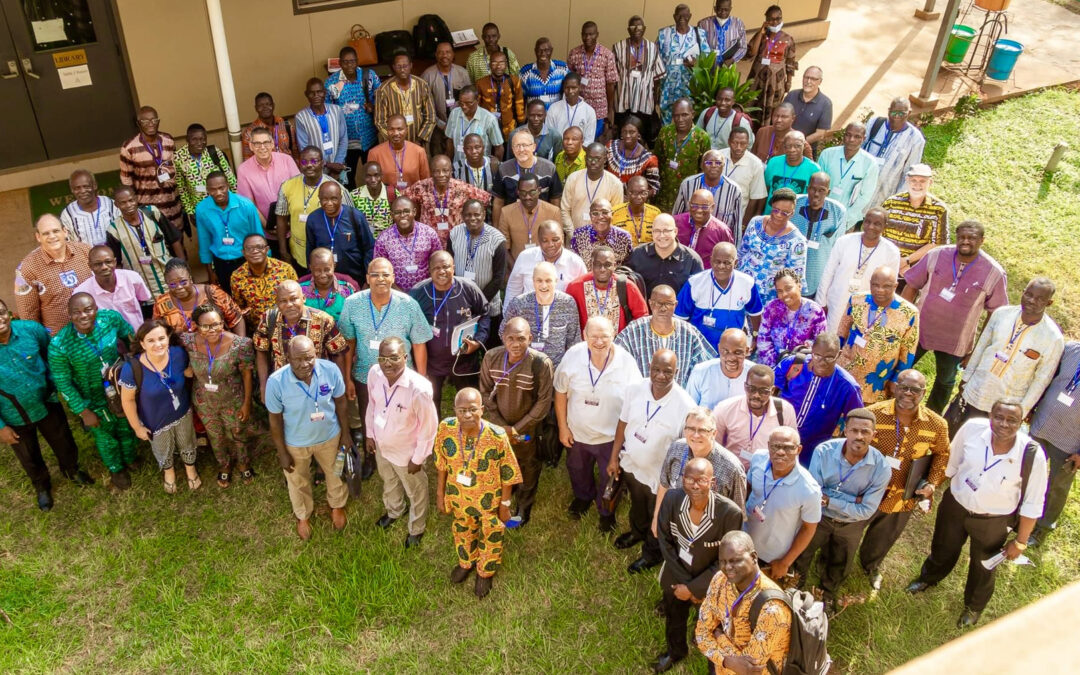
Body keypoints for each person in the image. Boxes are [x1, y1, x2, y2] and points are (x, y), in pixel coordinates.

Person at [906, 399, 1048, 629]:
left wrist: (1020, 542)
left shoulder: (1032, 454)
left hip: (993, 520)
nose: (1003, 424)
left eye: (1012, 420)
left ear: (1021, 423)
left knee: (984, 565)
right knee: (943, 547)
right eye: (998, 417)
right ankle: (928, 579)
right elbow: (950, 465)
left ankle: (973, 607)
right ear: (990, 416)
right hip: (956, 505)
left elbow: (1033, 503)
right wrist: (932, 487)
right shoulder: (972, 429)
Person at [857, 369, 950, 590]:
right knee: (849, 530)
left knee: (884, 535)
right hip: (865, 488)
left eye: (915, 390)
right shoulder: (872, 414)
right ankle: (834, 563)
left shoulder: (937, 425)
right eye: (904, 387)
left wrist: (931, 483)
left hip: (902, 493)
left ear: (924, 392)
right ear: (895, 387)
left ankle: (870, 566)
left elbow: (942, 453)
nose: (908, 393)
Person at [902, 221, 1008, 412]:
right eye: (962, 237)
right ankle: (890, 407)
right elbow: (912, 285)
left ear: (982, 241)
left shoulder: (994, 272)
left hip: (955, 341)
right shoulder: (937, 255)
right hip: (919, 330)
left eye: (972, 238)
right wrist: (903, 323)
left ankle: (930, 418)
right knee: (900, 370)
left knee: (945, 381)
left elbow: (996, 314)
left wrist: (977, 350)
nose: (966, 241)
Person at [339, 258, 433, 471]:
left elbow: (418, 343)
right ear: (367, 279)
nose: (380, 279)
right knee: (368, 415)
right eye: (374, 275)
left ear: (393, 277)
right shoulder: (352, 303)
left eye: (385, 274)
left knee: (402, 418)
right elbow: (349, 342)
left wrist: (422, 377)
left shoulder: (408, 304)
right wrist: (347, 378)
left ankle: (408, 453)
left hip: (401, 376)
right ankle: (371, 455)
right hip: (365, 374)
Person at [607, 349, 696, 573]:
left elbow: (685, 449)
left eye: (668, 371)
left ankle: (652, 553)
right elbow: (623, 423)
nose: (661, 376)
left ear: (677, 371)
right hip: (632, 465)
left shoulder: (685, 405)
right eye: (656, 369)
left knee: (659, 515)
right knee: (638, 503)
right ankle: (637, 532)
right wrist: (613, 456)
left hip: (660, 475)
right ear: (649, 366)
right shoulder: (634, 390)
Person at [653, 458, 743, 673]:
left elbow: (727, 561)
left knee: (712, 624)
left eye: (701, 480)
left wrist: (695, 589)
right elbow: (665, 540)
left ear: (712, 482)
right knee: (675, 618)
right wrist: (686, 587)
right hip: (675, 577)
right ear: (682, 479)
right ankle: (675, 651)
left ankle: (710, 656)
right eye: (689, 479)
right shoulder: (673, 499)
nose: (694, 485)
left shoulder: (730, 513)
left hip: (711, 584)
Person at [1, 299, 92, 509]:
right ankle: (41, 486)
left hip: (46, 401)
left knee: (62, 439)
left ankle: (71, 469)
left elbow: (51, 355)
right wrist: (0, 427)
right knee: (27, 452)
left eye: (1, 312)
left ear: (10, 313)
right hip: (13, 414)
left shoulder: (31, 330)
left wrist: (53, 384)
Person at [797, 408, 891, 610]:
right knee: (803, 552)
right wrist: (852, 500)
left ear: (874, 435)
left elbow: (866, 510)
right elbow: (814, 494)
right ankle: (795, 588)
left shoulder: (881, 467)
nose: (859, 436)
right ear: (844, 430)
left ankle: (828, 594)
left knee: (842, 561)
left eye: (865, 431)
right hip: (819, 517)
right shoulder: (824, 452)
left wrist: (830, 499)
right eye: (854, 430)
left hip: (851, 524)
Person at [554, 316, 642, 530]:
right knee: (577, 470)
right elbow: (560, 391)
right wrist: (563, 427)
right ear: (585, 336)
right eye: (594, 336)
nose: (599, 341)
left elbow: (636, 397)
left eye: (605, 336)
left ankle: (606, 511)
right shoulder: (573, 356)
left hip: (610, 437)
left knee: (610, 477)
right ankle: (583, 498)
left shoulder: (626, 362)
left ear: (614, 336)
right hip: (577, 433)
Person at [435, 387, 522, 598]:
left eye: (472, 409)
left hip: (489, 501)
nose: (467, 415)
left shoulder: (497, 436)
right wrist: (440, 494)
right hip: (458, 496)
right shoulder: (446, 428)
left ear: (482, 410)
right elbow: (441, 463)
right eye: (461, 410)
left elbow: (509, 473)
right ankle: (466, 562)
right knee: (462, 529)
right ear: (454, 410)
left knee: (491, 533)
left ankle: (485, 571)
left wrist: (505, 505)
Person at [945, 278, 1064, 430]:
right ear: (1023, 293)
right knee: (954, 437)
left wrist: (1022, 410)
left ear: (1049, 303)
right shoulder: (1001, 314)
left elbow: (1041, 380)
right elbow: (981, 347)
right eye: (1029, 294)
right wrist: (966, 379)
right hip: (977, 390)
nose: (1032, 301)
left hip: (1007, 407)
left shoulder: (1052, 338)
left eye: (1040, 299)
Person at [266, 335, 352, 540]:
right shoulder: (276, 382)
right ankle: (303, 515)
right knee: (298, 481)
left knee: (336, 473)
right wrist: (282, 452)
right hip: (296, 443)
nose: (305, 364)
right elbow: (275, 421)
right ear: (288, 358)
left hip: (330, 436)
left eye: (309, 358)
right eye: (298, 359)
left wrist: (346, 435)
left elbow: (341, 403)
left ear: (316, 354)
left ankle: (337, 505)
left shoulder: (330, 370)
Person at [479, 317, 554, 527]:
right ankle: (504, 494)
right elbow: (484, 393)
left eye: (521, 338)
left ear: (530, 338)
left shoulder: (541, 363)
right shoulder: (491, 358)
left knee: (528, 464)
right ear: (503, 338)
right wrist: (500, 426)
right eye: (510, 338)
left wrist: (516, 429)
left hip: (527, 430)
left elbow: (543, 402)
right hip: (499, 428)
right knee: (501, 461)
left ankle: (523, 506)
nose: (516, 344)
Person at [366, 336, 439, 549]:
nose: (387, 363)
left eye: (394, 358)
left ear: (405, 358)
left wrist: (418, 458)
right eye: (382, 358)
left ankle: (416, 528)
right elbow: (372, 405)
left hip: (407, 454)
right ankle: (395, 511)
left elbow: (429, 427)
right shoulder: (374, 374)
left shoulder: (419, 388)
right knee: (389, 481)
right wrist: (370, 434)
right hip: (382, 445)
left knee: (415, 491)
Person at [182, 305, 261, 488]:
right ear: (196, 326)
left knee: (237, 433)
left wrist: (246, 403)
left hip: (233, 400)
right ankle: (224, 465)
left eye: (217, 324)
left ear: (223, 323)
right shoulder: (188, 342)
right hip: (204, 401)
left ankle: (243, 463)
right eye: (205, 326)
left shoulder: (241, 344)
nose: (212, 330)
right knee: (215, 436)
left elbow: (247, 374)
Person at [119, 319, 199, 493]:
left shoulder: (178, 354)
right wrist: (137, 427)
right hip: (155, 421)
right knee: (162, 448)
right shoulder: (132, 368)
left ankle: (190, 469)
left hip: (182, 412)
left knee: (187, 441)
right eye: (151, 340)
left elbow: (188, 373)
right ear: (142, 343)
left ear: (168, 337)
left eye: (161, 338)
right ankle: (169, 473)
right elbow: (128, 400)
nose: (158, 344)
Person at [409, 251, 489, 410]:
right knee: (431, 404)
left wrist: (478, 342)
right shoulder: (418, 293)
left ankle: (468, 433)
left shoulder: (468, 288)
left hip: (464, 361)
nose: (441, 271)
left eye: (445, 266)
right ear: (429, 271)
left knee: (468, 404)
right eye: (436, 268)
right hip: (431, 363)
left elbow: (484, 314)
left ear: (453, 267)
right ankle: (434, 434)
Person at [743, 426, 821, 584]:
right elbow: (748, 487)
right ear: (768, 446)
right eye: (775, 446)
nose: (780, 452)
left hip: (772, 557)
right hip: (744, 542)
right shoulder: (758, 459)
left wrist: (785, 562)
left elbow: (808, 529)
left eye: (788, 448)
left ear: (798, 449)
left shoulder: (809, 490)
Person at [253, 280, 349, 406]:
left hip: (317, 387)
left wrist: (339, 386)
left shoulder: (323, 320)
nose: (289, 305)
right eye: (283, 301)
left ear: (303, 298)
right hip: (283, 387)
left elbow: (338, 354)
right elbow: (261, 351)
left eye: (294, 299)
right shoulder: (268, 319)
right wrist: (264, 386)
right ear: (277, 303)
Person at [774, 334, 864, 463]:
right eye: (817, 356)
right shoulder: (794, 364)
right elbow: (771, 389)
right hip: (778, 436)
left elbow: (857, 422)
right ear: (812, 350)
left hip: (811, 451)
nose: (822, 362)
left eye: (829, 358)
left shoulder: (847, 386)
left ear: (838, 355)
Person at [837, 266, 919, 404]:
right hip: (847, 369)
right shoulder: (857, 300)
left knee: (865, 417)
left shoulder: (909, 313)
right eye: (875, 285)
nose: (880, 290)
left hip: (879, 380)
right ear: (870, 283)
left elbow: (908, 352)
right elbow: (841, 332)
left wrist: (896, 379)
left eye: (886, 286)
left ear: (895, 286)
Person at [655, 407, 747, 530]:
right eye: (691, 429)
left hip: (709, 531)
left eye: (702, 430)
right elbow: (664, 484)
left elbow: (737, 513)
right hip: (673, 521)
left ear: (714, 433)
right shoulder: (676, 448)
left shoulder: (732, 468)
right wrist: (657, 518)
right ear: (684, 430)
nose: (696, 435)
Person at [815, 207, 902, 334]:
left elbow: (889, 286)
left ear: (885, 226)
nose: (871, 226)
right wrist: (820, 303)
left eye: (877, 224)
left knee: (854, 344)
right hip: (836, 302)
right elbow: (828, 272)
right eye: (868, 221)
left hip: (868, 307)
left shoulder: (891, 252)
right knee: (829, 340)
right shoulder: (844, 241)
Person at [1028, 340, 1080, 547]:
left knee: (1057, 486)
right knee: (1028, 472)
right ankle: (1017, 515)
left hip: (1070, 441)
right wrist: (1032, 407)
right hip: (1042, 425)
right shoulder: (1070, 350)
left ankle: (1043, 527)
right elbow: (1046, 379)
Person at [615, 285, 717, 387]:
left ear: (675, 305)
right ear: (650, 304)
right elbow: (615, 359)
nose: (663, 308)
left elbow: (706, 366)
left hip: (678, 397)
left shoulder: (688, 332)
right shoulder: (634, 330)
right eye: (659, 303)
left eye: (668, 304)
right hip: (641, 396)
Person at [274, 146, 353, 272]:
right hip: (298, 253)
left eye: (314, 161)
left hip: (328, 255)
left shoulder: (336, 189)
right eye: (304, 162)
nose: (309, 165)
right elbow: (281, 219)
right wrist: (283, 251)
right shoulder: (287, 186)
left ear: (322, 163)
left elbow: (349, 223)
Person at [675, 242, 763, 351]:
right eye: (717, 262)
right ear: (711, 260)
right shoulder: (695, 283)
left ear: (735, 263)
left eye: (726, 262)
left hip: (732, 350)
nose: (721, 266)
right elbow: (680, 318)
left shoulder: (747, 283)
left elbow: (756, 313)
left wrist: (755, 336)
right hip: (699, 348)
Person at [713, 364, 797, 469]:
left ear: (772, 391)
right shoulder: (725, 408)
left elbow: (792, 451)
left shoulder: (785, 411)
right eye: (751, 389)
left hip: (766, 474)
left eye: (763, 391)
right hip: (731, 471)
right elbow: (714, 447)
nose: (756, 395)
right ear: (744, 386)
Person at [501, 261, 582, 369]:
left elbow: (574, 341)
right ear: (533, 281)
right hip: (525, 369)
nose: (544, 285)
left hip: (557, 370)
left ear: (556, 281)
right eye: (539, 280)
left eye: (548, 280)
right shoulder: (519, 304)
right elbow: (503, 332)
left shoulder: (567, 303)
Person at [195, 172, 264, 295]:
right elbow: (204, 240)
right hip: (221, 263)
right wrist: (210, 272)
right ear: (207, 190)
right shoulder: (202, 209)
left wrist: (264, 263)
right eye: (213, 189)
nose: (218, 193)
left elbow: (258, 235)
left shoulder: (246, 205)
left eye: (221, 188)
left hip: (247, 260)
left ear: (228, 186)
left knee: (253, 295)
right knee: (229, 297)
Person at [109, 186, 184, 296]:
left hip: (169, 282)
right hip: (142, 289)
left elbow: (174, 240)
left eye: (131, 200)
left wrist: (183, 268)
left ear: (136, 199)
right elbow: (117, 263)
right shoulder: (114, 230)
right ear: (116, 205)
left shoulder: (152, 213)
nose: (128, 205)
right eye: (123, 203)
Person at [118, 105, 182, 233]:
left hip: (172, 205)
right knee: (156, 242)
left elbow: (175, 169)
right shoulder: (129, 147)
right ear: (138, 124)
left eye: (154, 120)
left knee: (178, 241)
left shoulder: (168, 140)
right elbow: (126, 182)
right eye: (145, 121)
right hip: (148, 208)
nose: (151, 124)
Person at [738, 188, 807, 304]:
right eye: (776, 210)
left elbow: (796, 276)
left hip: (768, 296)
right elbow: (742, 251)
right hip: (742, 285)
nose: (779, 215)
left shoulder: (797, 240)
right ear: (772, 205)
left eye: (785, 212)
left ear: (792, 213)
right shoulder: (755, 222)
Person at [405, 155, 491, 246]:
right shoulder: (422, 186)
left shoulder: (461, 187)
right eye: (437, 171)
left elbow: (486, 199)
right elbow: (401, 198)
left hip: (456, 240)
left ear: (450, 171)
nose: (441, 174)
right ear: (431, 172)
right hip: (427, 241)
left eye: (445, 171)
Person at [235, 126, 300, 246]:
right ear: (251, 146)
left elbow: (299, 192)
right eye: (257, 144)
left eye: (266, 142)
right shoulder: (243, 170)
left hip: (294, 227)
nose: (262, 147)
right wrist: (267, 226)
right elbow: (249, 204)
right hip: (267, 233)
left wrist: (291, 222)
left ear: (272, 144)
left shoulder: (287, 160)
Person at [326, 45, 382, 184]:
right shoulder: (332, 83)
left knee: (372, 174)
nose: (349, 65)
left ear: (357, 61)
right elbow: (327, 110)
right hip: (346, 140)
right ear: (340, 63)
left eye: (352, 61)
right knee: (348, 177)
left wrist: (374, 107)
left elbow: (382, 99)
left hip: (369, 137)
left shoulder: (369, 76)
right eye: (345, 62)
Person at [503, 221, 588, 310]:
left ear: (562, 238)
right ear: (539, 240)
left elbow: (583, 295)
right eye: (545, 241)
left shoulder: (575, 262)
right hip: (529, 317)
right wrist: (508, 317)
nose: (551, 244)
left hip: (562, 318)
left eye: (555, 240)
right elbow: (513, 290)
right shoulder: (525, 257)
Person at [447, 200, 508, 324]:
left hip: (489, 305)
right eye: (468, 215)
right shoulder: (454, 234)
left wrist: (478, 302)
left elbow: (498, 278)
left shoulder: (497, 240)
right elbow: (449, 267)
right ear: (462, 216)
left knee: (490, 342)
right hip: (460, 304)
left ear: (484, 215)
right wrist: (460, 299)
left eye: (476, 214)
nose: (472, 218)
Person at [882, 164, 950, 273]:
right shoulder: (891, 203)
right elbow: (880, 233)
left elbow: (937, 243)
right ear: (907, 180)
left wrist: (906, 261)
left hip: (916, 267)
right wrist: (892, 261)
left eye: (922, 181)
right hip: (885, 261)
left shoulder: (938, 209)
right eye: (913, 180)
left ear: (930, 183)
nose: (917, 184)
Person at [155, 257, 245, 337]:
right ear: (167, 284)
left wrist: (240, 346)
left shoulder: (212, 293)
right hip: (183, 353)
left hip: (219, 348)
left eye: (183, 282)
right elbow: (157, 332)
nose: (179, 287)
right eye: (172, 284)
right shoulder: (162, 303)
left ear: (190, 279)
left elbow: (237, 319)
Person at [304, 181, 375, 282]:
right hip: (324, 279)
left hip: (355, 277)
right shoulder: (313, 219)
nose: (329, 203)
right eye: (325, 199)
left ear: (341, 198)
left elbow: (369, 248)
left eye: (334, 198)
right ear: (319, 199)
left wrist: (368, 278)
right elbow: (310, 250)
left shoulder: (355, 216)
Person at [790, 172, 846, 297]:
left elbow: (838, 247)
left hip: (816, 275)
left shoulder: (837, 211)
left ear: (828, 192)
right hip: (789, 271)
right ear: (807, 188)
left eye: (821, 190)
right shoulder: (794, 203)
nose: (816, 194)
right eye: (813, 189)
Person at [863, 97, 926, 208]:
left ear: (909, 113)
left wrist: (899, 201)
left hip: (884, 195)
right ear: (888, 110)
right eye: (893, 112)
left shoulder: (915, 139)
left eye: (901, 113)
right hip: (861, 188)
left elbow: (909, 173)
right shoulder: (874, 123)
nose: (897, 116)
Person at [565, 246, 648, 331]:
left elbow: (642, 316)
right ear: (591, 265)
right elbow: (568, 319)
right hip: (586, 342)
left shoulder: (626, 286)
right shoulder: (575, 287)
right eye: (598, 264)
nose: (602, 269)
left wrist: (627, 337)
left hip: (619, 342)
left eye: (607, 265)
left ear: (614, 266)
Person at [756, 269, 827, 367]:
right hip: (771, 366)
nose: (784, 294)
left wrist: (809, 346)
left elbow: (820, 344)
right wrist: (777, 368)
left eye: (788, 288)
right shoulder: (772, 308)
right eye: (779, 291)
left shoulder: (815, 312)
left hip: (800, 368)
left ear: (799, 286)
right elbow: (763, 341)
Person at [816, 122, 879, 232]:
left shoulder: (870, 163)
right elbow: (817, 184)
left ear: (863, 139)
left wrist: (845, 218)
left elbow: (865, 196)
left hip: (847, 221)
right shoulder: (827, 154)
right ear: (844, 135)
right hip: (819, 214)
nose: (851, 139)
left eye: (857, 136)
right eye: (848, 135)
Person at [492, 129, 563, 226]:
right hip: (513, 222)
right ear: (512, 149)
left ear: (533, 147)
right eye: (517, 146)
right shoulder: (503, 169)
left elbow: (555, 199)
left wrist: (556, 226)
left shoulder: (549, 168)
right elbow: (498, 202)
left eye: (525, 145)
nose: (521, 150)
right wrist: (496, 228)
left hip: (541, 222)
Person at [612, 17, 665, 143]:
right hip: (623, 100)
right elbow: (612, 76)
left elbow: (658, 76)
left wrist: (654, 98)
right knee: (622, 135)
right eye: (633, 26)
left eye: (640, 26)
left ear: (645, 29)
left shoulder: (652, 48)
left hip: (644, 100)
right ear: (628, 29)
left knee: (643, 134)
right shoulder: (618, 47)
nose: (636, 29)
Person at [373, 196, 443, 292]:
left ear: (414, 212)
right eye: (397, 212)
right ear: (392, 215)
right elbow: (380, 271)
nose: (402, 215)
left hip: (428, 291)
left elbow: (439, 262)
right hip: (396, 294)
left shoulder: (429, 233)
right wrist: (402, 296)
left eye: (406, 211)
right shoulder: (383, 239)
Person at [229, 234, 298, 331]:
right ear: (243, 252)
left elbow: (297, 299)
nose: (255, 251)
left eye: (260, 247)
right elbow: (239, 307)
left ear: (267, 249)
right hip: (256, 329)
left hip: (286, 327)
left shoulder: (285, 269)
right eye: (249, 248)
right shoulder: (237, 277)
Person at [74, 245, 151, 331]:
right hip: (108, 342)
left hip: (137, 336)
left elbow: (142, 299)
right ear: (90, 266)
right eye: (98, 264)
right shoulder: (82, 292)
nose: (104, 267)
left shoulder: (132, 278)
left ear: (115, 262)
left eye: (108, 261)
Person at [656, 5, 711, 125]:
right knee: (667, 115)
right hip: (668, 85)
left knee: (688, 115)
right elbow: (656, 58)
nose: (682, 18)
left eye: (685, 15)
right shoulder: (664, 34)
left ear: (690, 16)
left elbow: (707, 56)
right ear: (674, 17)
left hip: (689, 85)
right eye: (679, 15)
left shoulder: (699, 34)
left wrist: (696, 63)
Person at [655, 99, 712, 213]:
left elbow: (704, 170)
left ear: (692, 114)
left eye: (684, 115)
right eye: (676, 116)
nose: (680, 119)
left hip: (687, 197)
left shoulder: (702, 137)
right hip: (664, 196)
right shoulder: (665, 133)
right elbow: (657, 160)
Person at [624, 213, 703, 296]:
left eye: (666, 231)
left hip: (679, 308)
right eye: (657, 231)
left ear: (675, 231)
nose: (661, 235)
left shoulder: (692, 260)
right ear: (652, 232)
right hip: (643, 308)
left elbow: (699, 293)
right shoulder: (638, 254)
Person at [672, 149, 744, 238]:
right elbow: (676, 217)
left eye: (718, 163)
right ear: (702, 165)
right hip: (688, 238)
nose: (713, 166)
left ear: (723, 166)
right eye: (709, 163)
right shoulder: (688, 184)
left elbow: (736, 225)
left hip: (718, 240)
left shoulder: (734, 190)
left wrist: (734, 250)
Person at [747, 5, 798, 127]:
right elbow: (751, 53)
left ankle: (767, 132)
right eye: (771, 19)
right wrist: (761, 31)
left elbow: (790, 62)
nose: (775, 22)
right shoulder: (761, 35)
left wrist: (789, 81)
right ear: (766, 19)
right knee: (752, 105)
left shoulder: (788, 39)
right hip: (757, 79)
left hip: (776, 81)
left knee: (773, 108)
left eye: (778, 19)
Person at [175, 123, 237, 224]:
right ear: (187, 139)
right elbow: (182, 187)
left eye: (203, 139)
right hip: (200, 209)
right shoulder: (179, 158)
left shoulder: (214, 152)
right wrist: (190, 211)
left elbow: (230, 177)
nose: (199, 143)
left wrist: (236, 201)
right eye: (194, 139)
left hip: (222, 204)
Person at [567, 21, 618, 139]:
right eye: (585, 34)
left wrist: (610, 111)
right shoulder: (574, 53)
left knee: (594, 140)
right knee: (578, 137)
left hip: (599, 108)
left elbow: (611, 84)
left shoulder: (607, 55)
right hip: (578, 106)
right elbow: (569, 79)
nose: (587, 37)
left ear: (597, 34)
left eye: (591, 34)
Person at [497, 173, 562, 264]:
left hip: (546, 269)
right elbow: (504, 247)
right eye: (523, 193)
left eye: (532, 192)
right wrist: (516, 269)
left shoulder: (553, 212)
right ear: (518, 192)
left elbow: (559, 245)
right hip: (517, 267)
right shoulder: (506, 212)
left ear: (539, 190)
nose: (527, 197)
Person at [373, 52, 435, 147]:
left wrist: (420, 140)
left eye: (405, 66)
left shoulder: (422, 85)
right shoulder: (383, 90)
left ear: (411, 66)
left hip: (419, 143)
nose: (402, 70)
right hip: (393, 144)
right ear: (393, 67)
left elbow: (431, 116)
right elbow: (380, 121)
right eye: (398, 66)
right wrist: (396, 140)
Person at [562, 143, 625, 233]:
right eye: (590, 158)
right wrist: (572, 235)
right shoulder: (573, 178)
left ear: (605, 160)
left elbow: (616, 215)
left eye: (597, 159)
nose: (593, 162)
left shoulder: (615, 184)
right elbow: (565, 210)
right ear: (585, 158)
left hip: (602, 241)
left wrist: (603, 238)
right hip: (573, 237)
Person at [293, 78, 348, 182]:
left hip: (338, 168)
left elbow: (343, 138)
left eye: (319, 92)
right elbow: (304, 148)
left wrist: (337, 164)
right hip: (315, 170)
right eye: (311, 93)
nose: (316, 96)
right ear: (306, 94)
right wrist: (327, 165)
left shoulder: (336, 110)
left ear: (325, 93)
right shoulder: (301, 117)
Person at [421, 42, 471, 154]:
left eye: (448, 52)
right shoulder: (428, 75)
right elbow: (424, 106)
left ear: (453, 54)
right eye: (440, 52)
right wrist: (441, 125)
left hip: (460, 122)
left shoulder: (462, 73)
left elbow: (470, 100)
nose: (444, 55)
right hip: (437, 125)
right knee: (437, 151)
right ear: (436, 55)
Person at [685, 328, 751, 409]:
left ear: (747, 351)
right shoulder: (701, 372)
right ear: (719, 349)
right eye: (725, 351)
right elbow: (689, 408)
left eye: (738, 352)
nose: (731, 357)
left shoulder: (754, 374)